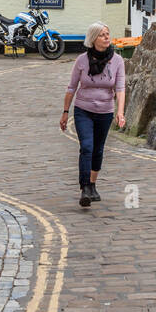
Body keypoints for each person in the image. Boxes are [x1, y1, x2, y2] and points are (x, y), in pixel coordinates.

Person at [60, 22, 126, 207]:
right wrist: (65, 112)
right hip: (83, 110)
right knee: (87, 147)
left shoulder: (118, 61)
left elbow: (120, 88)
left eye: (107, 34)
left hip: (105, 111)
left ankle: (93, 184)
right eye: (102, 35)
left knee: (98, 149)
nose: (106, 37)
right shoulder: (81, 60)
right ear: (93, 39)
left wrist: (120, 112)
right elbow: (71, 87)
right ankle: (85, 188)